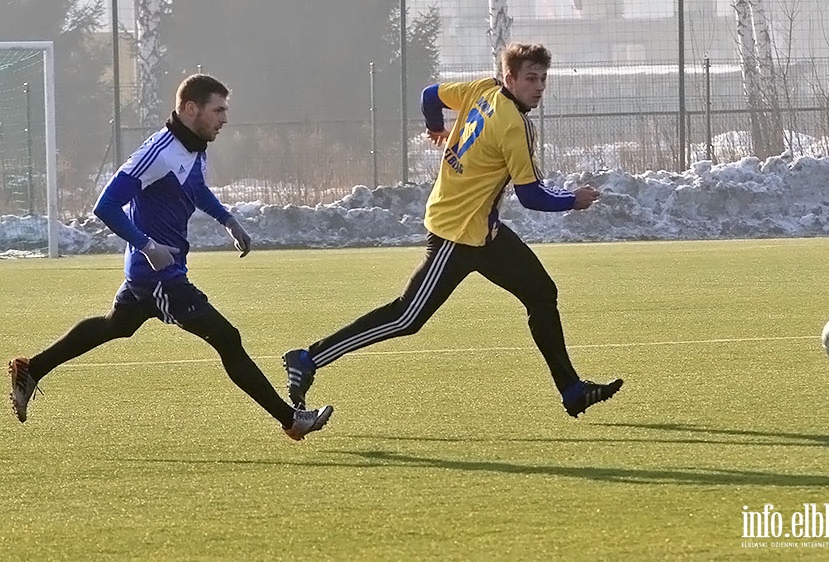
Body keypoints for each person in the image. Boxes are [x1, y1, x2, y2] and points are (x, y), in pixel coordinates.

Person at [283, 43, 623, 418]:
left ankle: (572, 390)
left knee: (542, 293)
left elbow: (430, 96)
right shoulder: (515, 124)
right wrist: (571, 199)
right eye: (530, 78)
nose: (539, 86)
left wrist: (436, 128)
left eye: (543, 78)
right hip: (457, 234)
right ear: (509, 77)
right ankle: (308, 358)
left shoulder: (482, 89)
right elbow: (531, 195)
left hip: (483, 232)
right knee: (405, 318)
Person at [9, 74, 332, 441]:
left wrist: (227, 219)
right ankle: (292, 420)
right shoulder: (156, 153)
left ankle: (31, 368)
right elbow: (107, 205)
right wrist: (147, 246)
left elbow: (195, 188)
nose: (225, 119)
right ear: (191, 109)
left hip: (156, 271)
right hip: (159, 276)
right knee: (228, 338)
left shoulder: (194, 147)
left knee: (117, 325)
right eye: (218, 110)